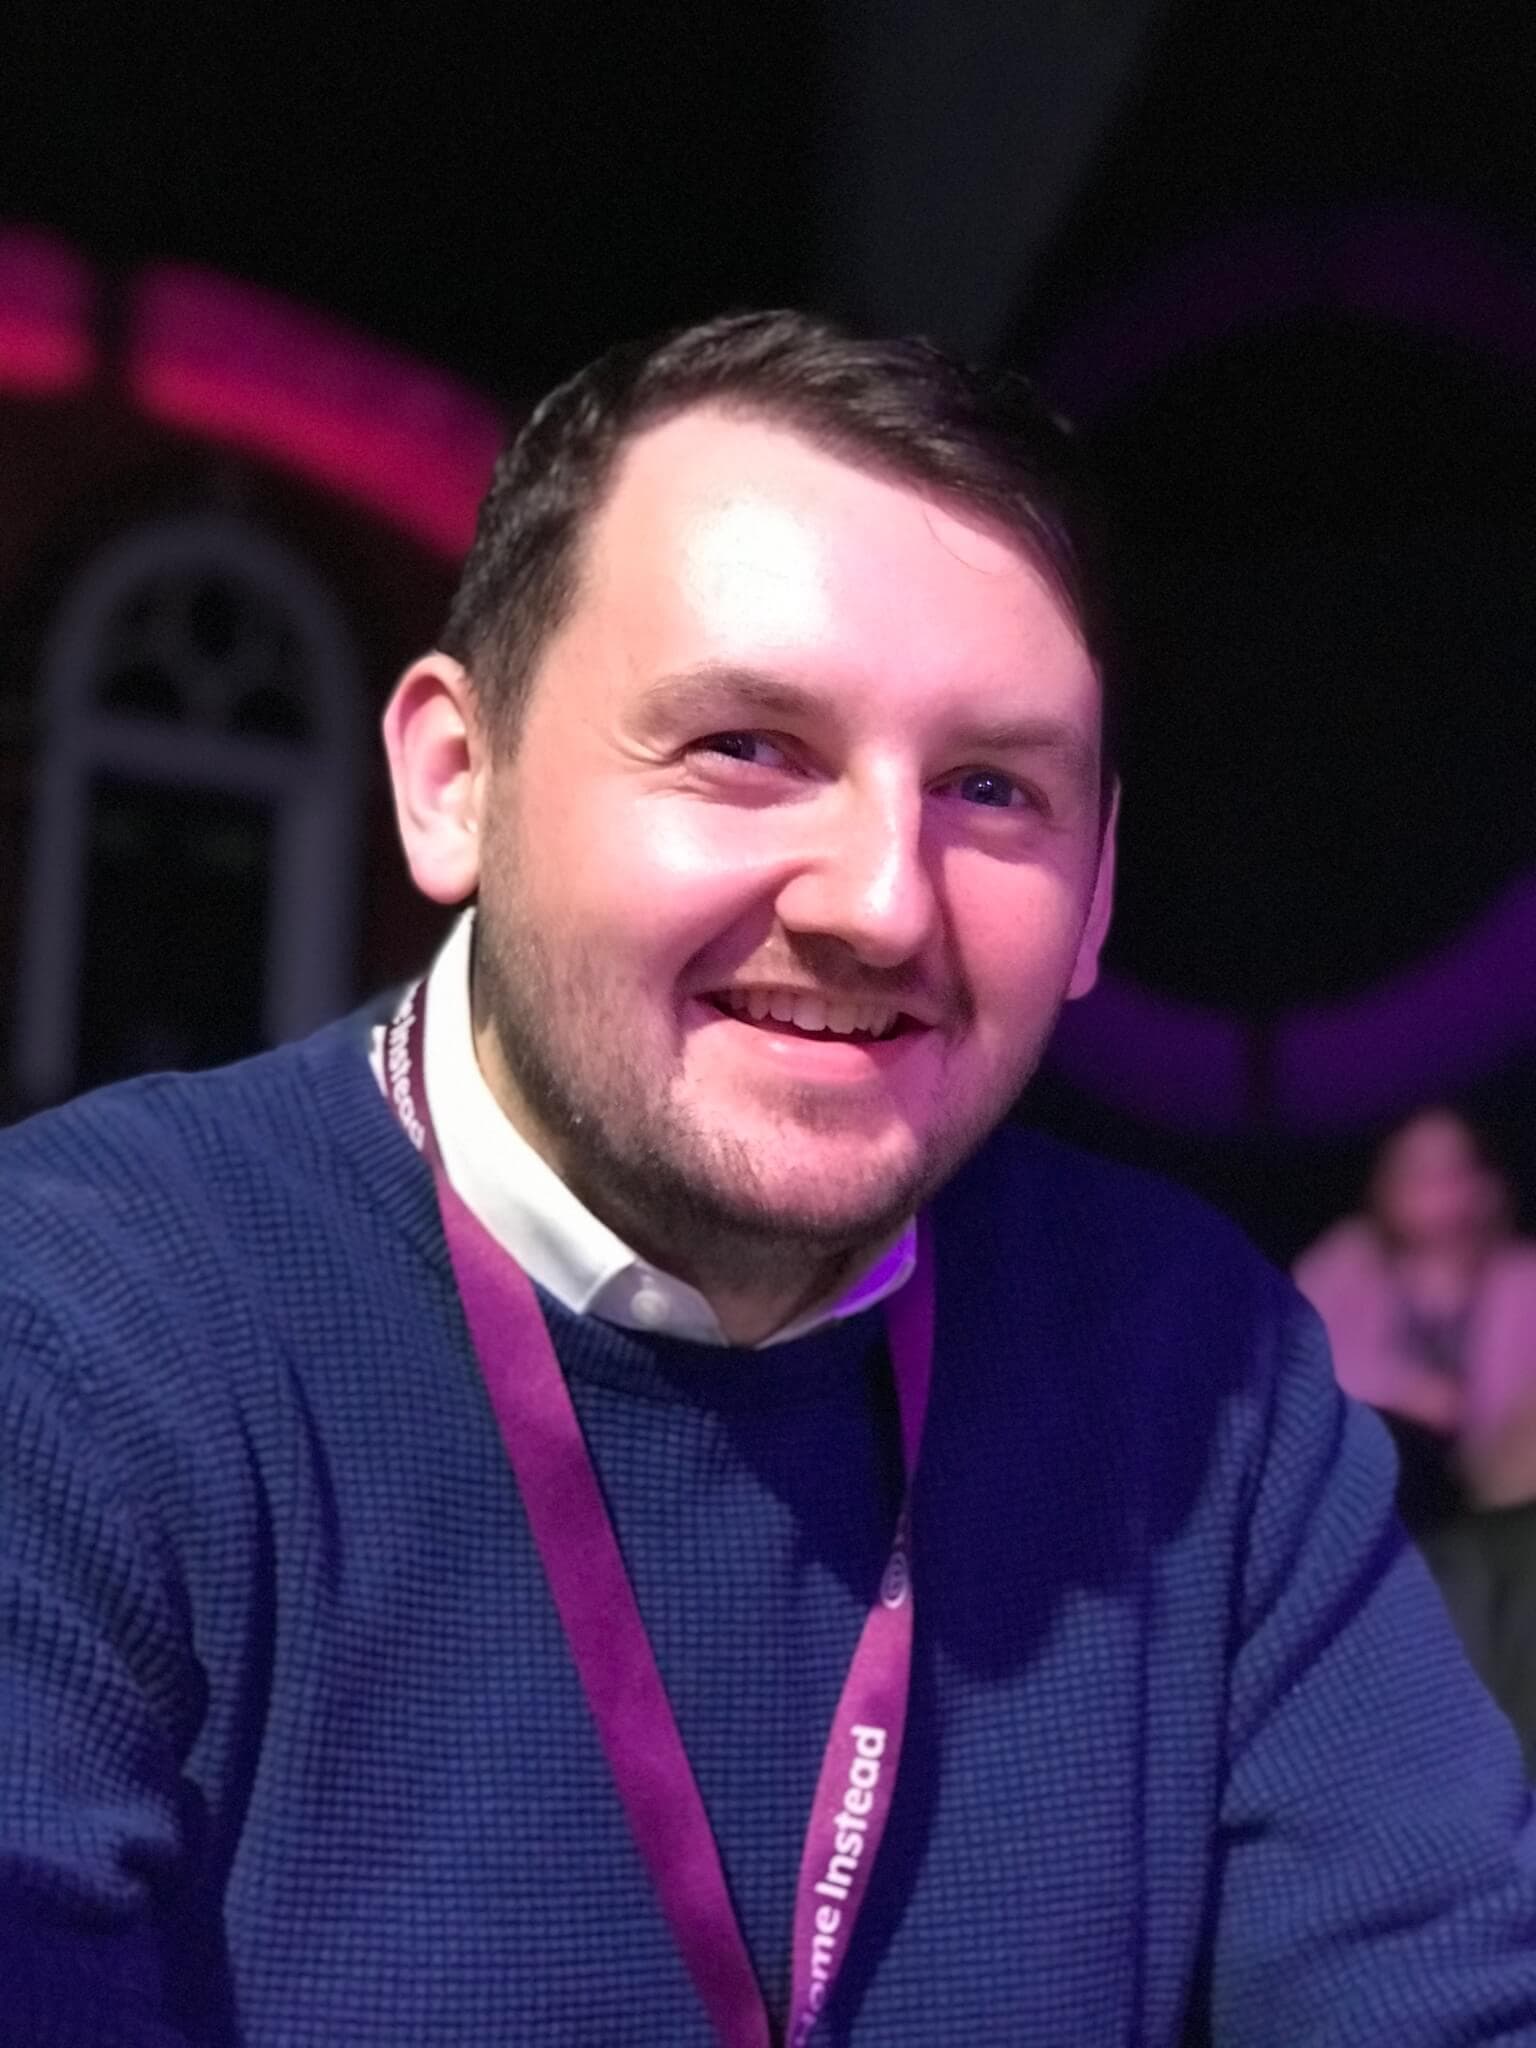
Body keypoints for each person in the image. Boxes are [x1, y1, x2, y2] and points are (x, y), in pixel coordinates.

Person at [3, 311, 1536, 2048]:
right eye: (746, 745)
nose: (882, 899)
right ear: (455, 780)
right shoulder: (79, 1339)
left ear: (1101, 889)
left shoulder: (1195, 1375)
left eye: (988, 786)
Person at [1296, 1107, 1536, 1764]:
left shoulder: (1521, 1281)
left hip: (1494, 1509)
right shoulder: (1350, 1263)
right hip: (1379, 1503)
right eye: (1416, 1171)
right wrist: (1406, 1393)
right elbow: (1298, 1359)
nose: (1435, 1188)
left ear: (1484, 1185)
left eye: (1451, 1171)